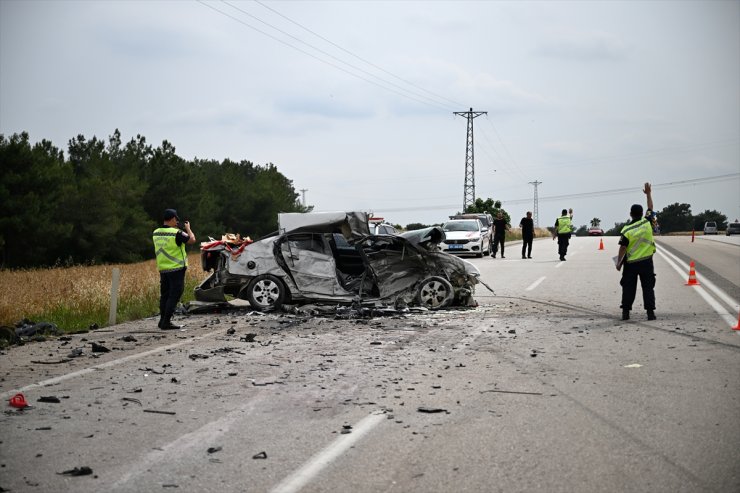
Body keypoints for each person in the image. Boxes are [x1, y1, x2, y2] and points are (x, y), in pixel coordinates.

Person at [616, 183, 657, 321]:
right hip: (646, 261)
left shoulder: (626, 230)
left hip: (631, 264)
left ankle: (625, 313)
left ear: (630, 214)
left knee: (628, 288)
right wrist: (648, 194)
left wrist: (618, 263)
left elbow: (622, 248)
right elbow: (650, 207)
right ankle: (650, 313)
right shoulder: (648, 222)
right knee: (648, 288)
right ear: (642, 213)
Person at [152, 209, 196, 330]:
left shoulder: (156, 232)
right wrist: (188, 228)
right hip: (176, 268)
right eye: (176, 219)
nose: (177, 221)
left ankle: (162, 321)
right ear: (171, 219)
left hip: (163, 268)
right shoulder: (176, 233)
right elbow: (192, 240)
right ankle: (166, 322)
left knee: (165, 295)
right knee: (175, 294)